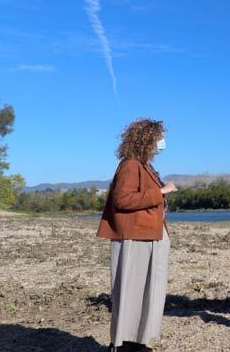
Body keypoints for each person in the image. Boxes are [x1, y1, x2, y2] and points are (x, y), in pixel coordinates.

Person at [97, 118, 177, 352]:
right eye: (159, 137)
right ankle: (123, 344)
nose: (162, 142)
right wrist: (161, 191)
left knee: (146, 291)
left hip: (149, 236)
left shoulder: (145, 165)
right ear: (147, 139)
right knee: (131, 291)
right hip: (135, 238)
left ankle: (137, 341)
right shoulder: (130, 165)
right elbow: (122, 200)